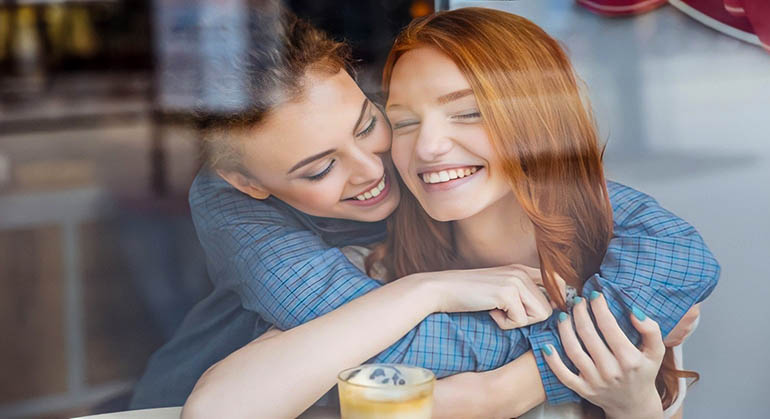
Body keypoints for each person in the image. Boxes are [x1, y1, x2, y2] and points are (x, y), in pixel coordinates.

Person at [129, 2, 719, 412]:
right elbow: (389, 344)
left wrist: (630, 385)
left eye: (372, 124)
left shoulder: (612, 267)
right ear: (248, 182)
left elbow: (677, 250)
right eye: (319, 168)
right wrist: (581, 341)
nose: (374, 167)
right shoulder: (262, 220)